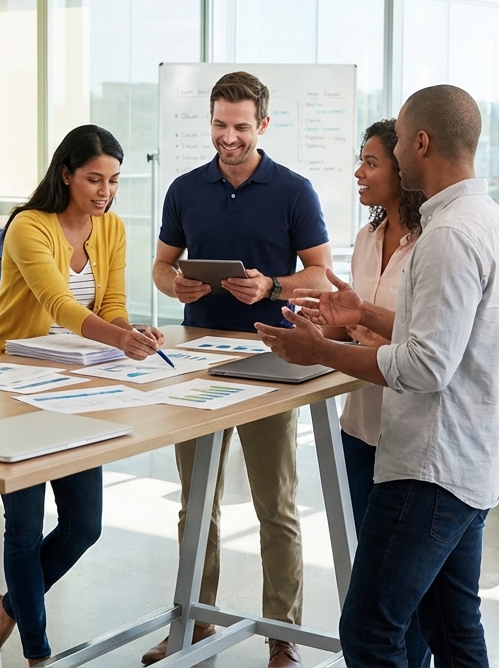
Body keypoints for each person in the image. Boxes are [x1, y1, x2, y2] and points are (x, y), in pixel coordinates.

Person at [256, 85, 499, 667]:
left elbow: (426, 366)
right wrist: (364, 315)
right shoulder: (489, 220)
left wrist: (318, 352)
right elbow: (447, 333)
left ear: (421, 143)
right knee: (452, 628)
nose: (395, 154)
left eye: (397, 142)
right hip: (470, 459)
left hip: (431, 465)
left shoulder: (447, 236)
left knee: (371, 630)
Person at [148, 71, 331, 668]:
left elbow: (321, 275)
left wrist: (272, 283)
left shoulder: (294, 190)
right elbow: (161, 267)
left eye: (241, 128)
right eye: (221, 126)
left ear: (264, 126)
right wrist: (173, 284)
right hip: (198, 358)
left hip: (268, 357)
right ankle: (194, 624)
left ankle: (283, 637)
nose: (229, 138)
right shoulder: (184, 188)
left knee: (274, 504)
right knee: (195, 502)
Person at [0, 124, 164, 666]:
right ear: (66, 174)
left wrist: (131, 330)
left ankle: (10, 605)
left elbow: (112, 304)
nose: (104, 191)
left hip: (78, 385)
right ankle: (39, 654)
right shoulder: (29, 226)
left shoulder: (110, 230)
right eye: (93, 179)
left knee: (84, 525)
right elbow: (58, 303)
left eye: (112, 180)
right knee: (24, 527)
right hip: (14, 384)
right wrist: (121, 339)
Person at [331, 118, 431, 668]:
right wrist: (318, 327)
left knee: (402, 591)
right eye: (360, 160)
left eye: (371, 163)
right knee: (373, 570)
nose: (359, 172)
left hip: (411, 430)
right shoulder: (368, 239)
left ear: (403, 169)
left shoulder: (431, 243)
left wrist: (361, 319)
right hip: (360, 424)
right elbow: (355, 327)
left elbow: (426, 335)